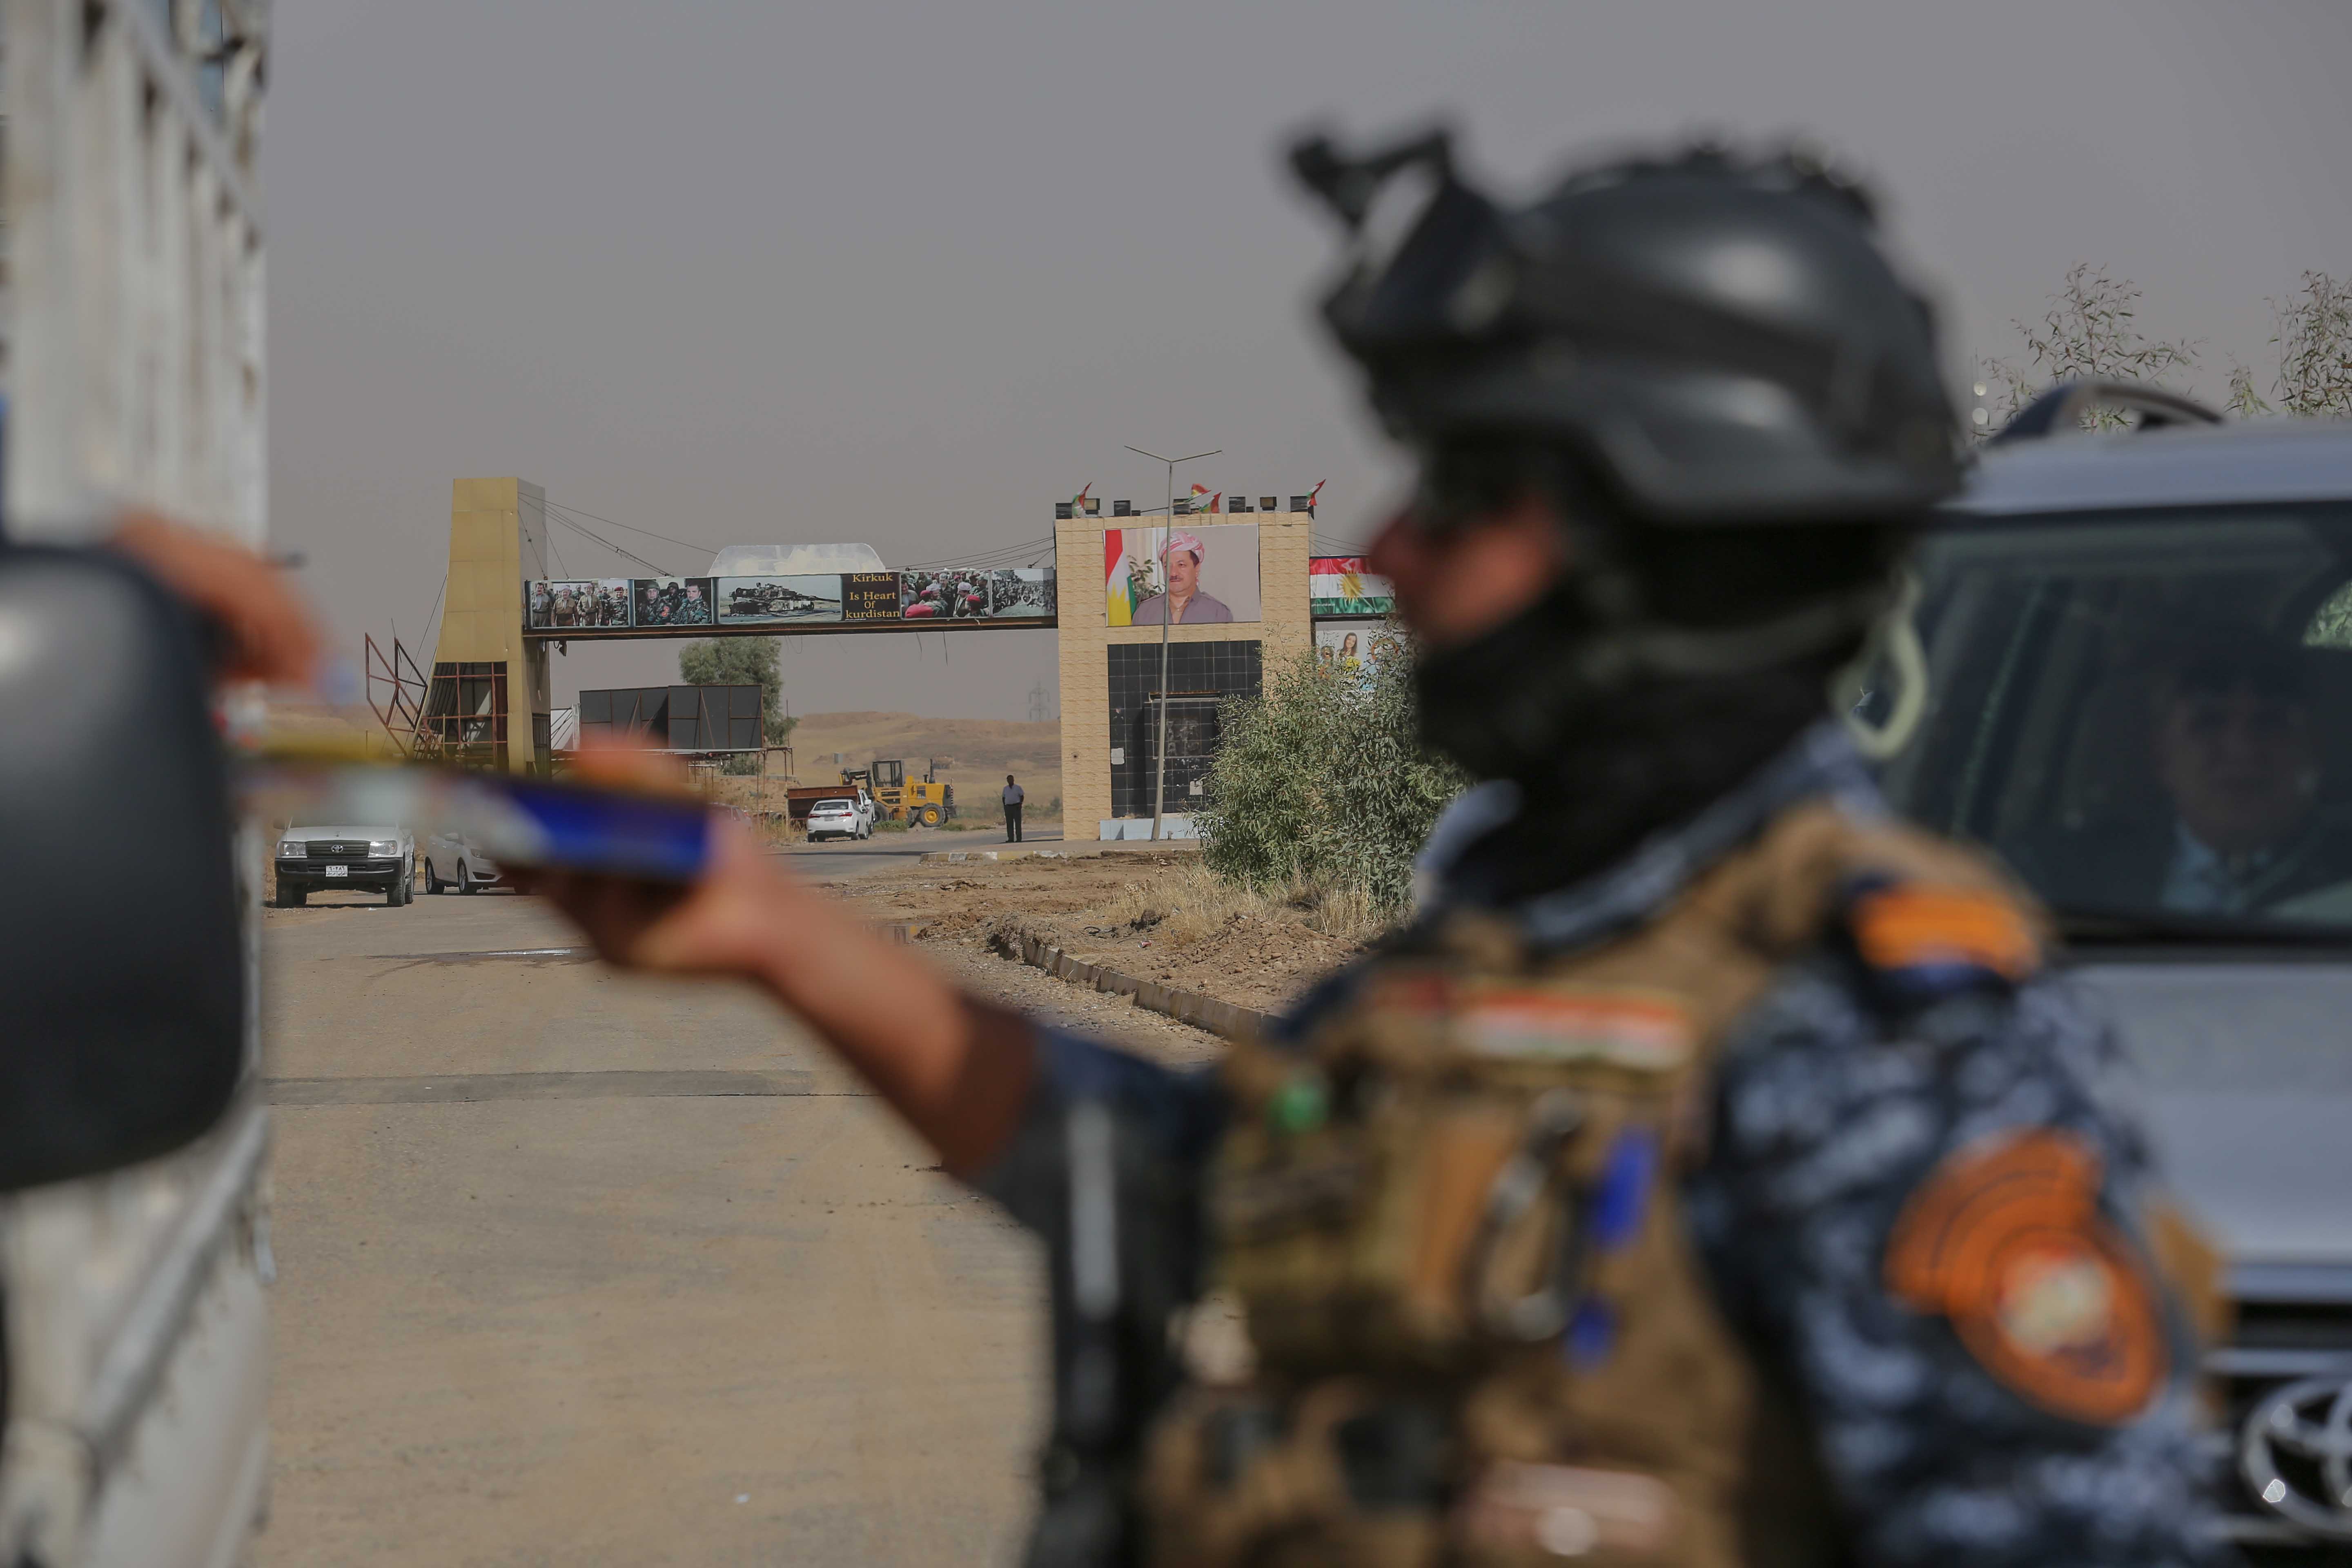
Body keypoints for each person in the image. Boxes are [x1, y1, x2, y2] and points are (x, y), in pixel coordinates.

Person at [525, 133, 2225, 1567]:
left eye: (1463, 496)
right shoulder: (1511, 937)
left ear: (1666, 526)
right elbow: (1184, 1178)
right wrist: (771, 932)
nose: (1384, 552)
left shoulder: (1874, 1029)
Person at [2031, 626, 2352, 917]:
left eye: (2271, 723)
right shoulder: (2061, 881)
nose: (2242, 749)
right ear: (2161, 755)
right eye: (2208, 723)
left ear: (2315, 749)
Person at [1131, 530, 1232, 624]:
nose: (1173, 573)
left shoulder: (1218, 613)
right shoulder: (1144, 612)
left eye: (1181, 565)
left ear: (1197, 568)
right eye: (1168, 566)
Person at [1002, 774, 1025, 842]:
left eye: (1011, 779)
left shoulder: (1018, 788)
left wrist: (1020, 804)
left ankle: (1019, 839)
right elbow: (1003, 797)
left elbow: (1022, 796)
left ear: (1014, 780)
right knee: (1009, 824)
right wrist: (1005, 806)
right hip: (1008, 807)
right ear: (1007, 781)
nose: (1010, 781)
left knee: (1018, 823)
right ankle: (1011, 839)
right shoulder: (1005, 789)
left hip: (1016, 807)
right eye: (1009, 780)